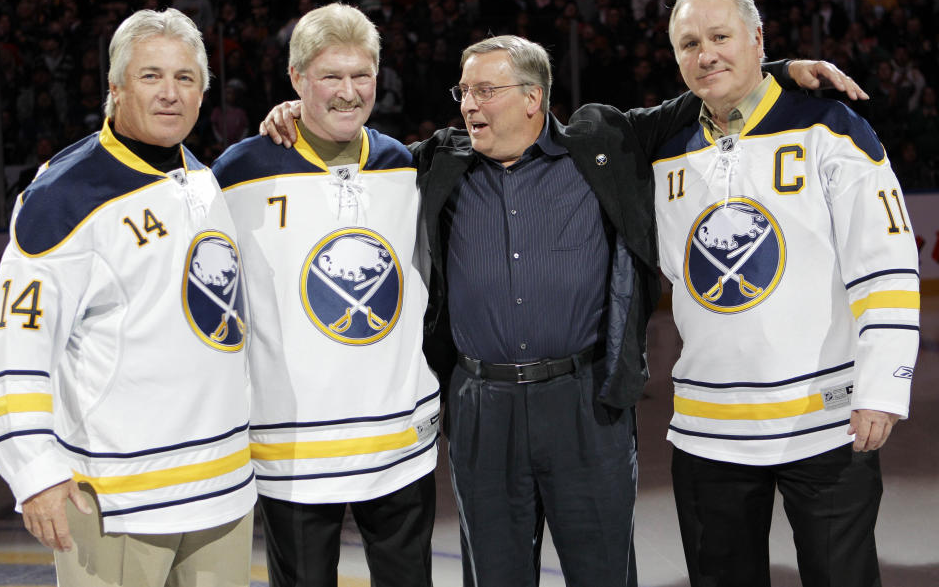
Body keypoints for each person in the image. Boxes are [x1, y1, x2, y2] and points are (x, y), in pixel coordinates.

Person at [260, 41, 864, 587]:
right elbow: (352, 153)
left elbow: (693, 102)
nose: (469, 104)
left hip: (586, 405)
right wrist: (296, 116)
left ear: (532, 99)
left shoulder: (601, 146)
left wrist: (777, 71)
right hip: (481, 407)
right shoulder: (438, 161)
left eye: (485, 91)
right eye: (464, 91)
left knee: (601, 571)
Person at [657, 0, 919, 587]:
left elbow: (884, 263)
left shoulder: (830, 128)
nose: (705, 54)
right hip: (707, 431)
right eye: (689, 43)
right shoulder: (662, 149)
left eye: (721, 36)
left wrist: (881, 386)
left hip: (826, 425)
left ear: (757, 38)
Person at [0, 8, 255, 586]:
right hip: (117, 498)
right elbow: (18, 347)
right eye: (150, 76)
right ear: (115, 87)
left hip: (223, 491)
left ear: (204, 92)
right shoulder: (64, 197)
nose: (169, 93)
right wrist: (33, 468)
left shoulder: (203, 180)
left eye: (185, 78)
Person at [211, 3, 438, 587]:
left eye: (361, 75)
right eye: (329, 77)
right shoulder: (239, 174)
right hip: (294, 449)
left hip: (397, 439)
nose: (347, 92)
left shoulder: (404, 166)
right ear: (296, 80)